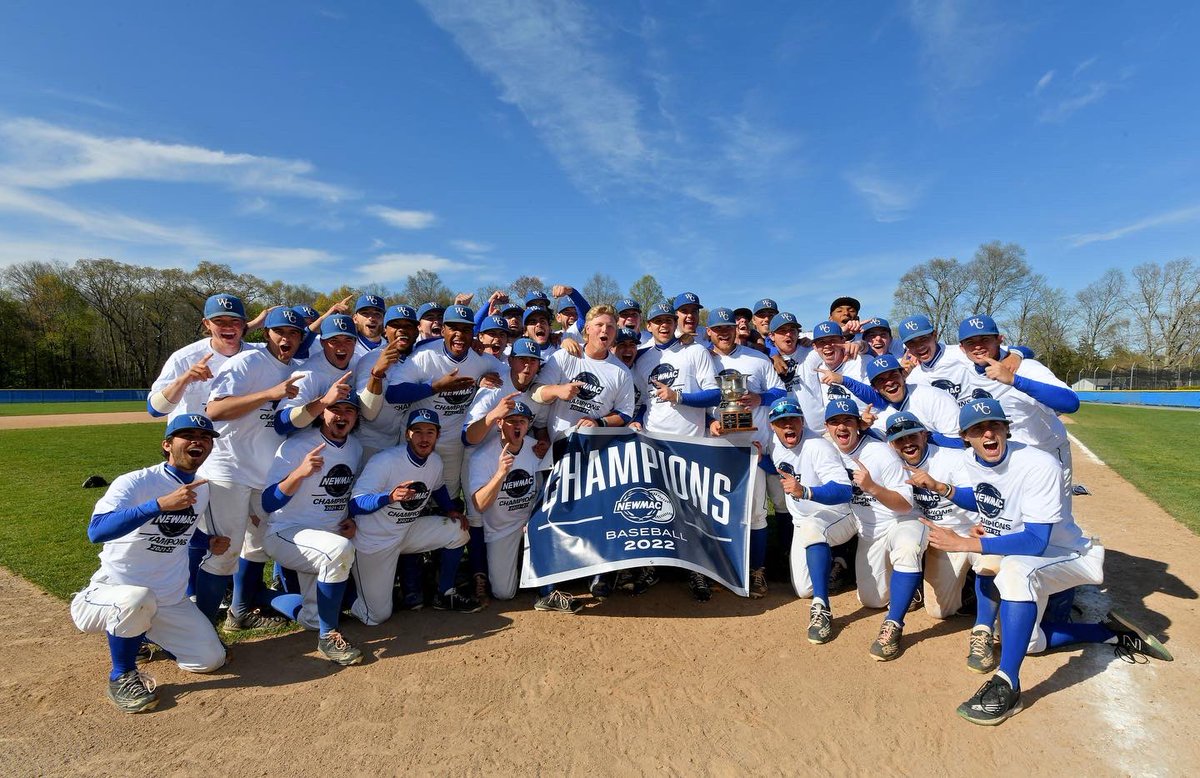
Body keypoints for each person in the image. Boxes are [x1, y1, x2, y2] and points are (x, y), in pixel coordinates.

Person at [907, 398, 1172, 725]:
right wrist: (942, 488)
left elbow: (1036, 540)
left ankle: (1008, 684)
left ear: (1006, 428)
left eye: (994, 426)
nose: (987, 433)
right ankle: (1109, 633)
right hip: (1030, 553)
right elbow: (984, 495)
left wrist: (966, 542)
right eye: (977, 429)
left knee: (1015, 574)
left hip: (1067, 554)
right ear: (965, 437)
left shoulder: (1038, 464)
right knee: (1028, 642)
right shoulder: (971, 461)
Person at [70, 414, 227, 713]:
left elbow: (183, 529)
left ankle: (146, 633)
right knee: (136, 599)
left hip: (168, 600)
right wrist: (157, 505)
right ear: (167, 445)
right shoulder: (137, 482)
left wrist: (206, 542)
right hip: (115, 592)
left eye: (205, 438)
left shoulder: (202, 487)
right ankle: (121, 675)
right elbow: (97, 531)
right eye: (188, 435)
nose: (198, 441)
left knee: (210, 660)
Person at [194, 307, 310, 629]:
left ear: (301, 338)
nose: (286, 338)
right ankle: (202, 629)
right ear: (266, 334)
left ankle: (239, 613)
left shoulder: (300, 369)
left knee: (257, 547)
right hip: (229, 469)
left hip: (265, 472)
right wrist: (269, 394)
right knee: (223, 552)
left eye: (293, 333)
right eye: (280, 332)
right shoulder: (248, 362)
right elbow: (214, 410)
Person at [530, 304, 635, 611]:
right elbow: (536, 391)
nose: (605, 330)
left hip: (597, 451)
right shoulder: (565, 357)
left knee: (599, 511)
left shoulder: (620, 371)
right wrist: (557, 391)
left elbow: (625, 414)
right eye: (600, 325)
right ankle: (548, 587)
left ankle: (598, 575)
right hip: (559, 448)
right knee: (552, 513)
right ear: (587, 328)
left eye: (611, 327)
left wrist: (601, 422)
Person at [347, 408, 478, 625]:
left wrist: (450, 509)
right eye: (417, 431)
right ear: (407, 434)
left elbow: (437, 487)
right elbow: (355, 503)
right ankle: (343, 590)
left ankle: (445, 594)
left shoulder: (434, 461)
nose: (424, 438)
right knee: (377, 616)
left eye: (430, 432)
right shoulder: (385, 461)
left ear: (438, 435)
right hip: (374, 540)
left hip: (407, 531)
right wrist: (387, 498)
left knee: (458, 529)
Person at [260, 395, 364, 665]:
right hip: (287, 533)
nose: (342, 416)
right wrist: (299, 473)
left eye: (349, 411)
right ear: (321, 413)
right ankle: (329, 636)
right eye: (335, 409)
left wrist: (351, 517)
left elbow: (348, 492)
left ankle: (262, 596)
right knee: (339, 551)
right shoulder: (296, 447)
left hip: (325, 537)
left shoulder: (355, 448)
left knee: (310, 617)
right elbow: (268, 502)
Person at [822, 398, 925, 660]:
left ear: (859, 425)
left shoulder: (880, 452)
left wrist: (873, 487)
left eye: (847, 421)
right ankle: (907, 586)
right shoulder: (828, 450)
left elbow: (904, 505)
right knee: (872, 600)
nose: (841, 427)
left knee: (907, 548)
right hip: (869, 530)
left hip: (901, 520)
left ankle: (894, 625)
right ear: (828, 427)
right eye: (835, 422)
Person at [883, 411, 997, 623]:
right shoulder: (893, 466)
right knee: (939, 612)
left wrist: (940, 487)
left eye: (912, 436)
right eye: (900, 439)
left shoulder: (953, 458)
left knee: (992, 565)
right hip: (939, 538)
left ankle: (992, 610)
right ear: (891, 445)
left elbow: (978, 498)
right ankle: (967, 589)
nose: (907, 443)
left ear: (924, 435)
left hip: (972, 530)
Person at [706, 306, 786, 601]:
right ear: (709, 332)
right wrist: (708, 422)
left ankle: (757, 570)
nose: (724, 332)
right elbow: (695, 402)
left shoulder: (757, 358)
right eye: (718, 329)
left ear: (736, 330)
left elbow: (781, 393)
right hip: (717, 447)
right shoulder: (703, 358)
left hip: (752, 445)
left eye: (728, 327)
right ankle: (724, 569)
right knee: (717, 512)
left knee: (755, 513)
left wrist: (758, 397)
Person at [462, 337, 549, 603]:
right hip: (481, 454)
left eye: (533, 361)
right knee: (479, 518)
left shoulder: (536, 393)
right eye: (522, 359)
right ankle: (479, 574)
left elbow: (541, 427)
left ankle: (531, 567)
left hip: (520, 452)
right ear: (510, 361)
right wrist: (494, 414)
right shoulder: (494, 386)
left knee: (523, 501)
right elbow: (469, 438)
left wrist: (542, 445)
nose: (527, 365)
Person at [955, 314, 1079, 500]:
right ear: (962, 348)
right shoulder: (964, 367)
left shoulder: (1027, 369)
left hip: (1044, 455)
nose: (978, 345)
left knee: (1052, 523)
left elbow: (1070, 403)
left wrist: (1014, 380)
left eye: (985, 339)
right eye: (971, 342)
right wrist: (1019, 351)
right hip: (1002, 458)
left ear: (999, 340)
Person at [761, 399, 853, 639]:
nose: (788, 425)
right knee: (803, 589)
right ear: (773, 426)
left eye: (793, 419)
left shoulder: (818, 446)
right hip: (803, 521)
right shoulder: (774, 442)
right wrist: (761, 459)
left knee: (814, 528)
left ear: (802, 421)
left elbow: (844, 490)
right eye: (781, 422)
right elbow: (781, 467)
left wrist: (807, 491)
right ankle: (833, 562)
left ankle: (821, 608)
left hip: (839, 515)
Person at [469, 401, 544, 603]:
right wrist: (500, 474)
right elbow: (479, 505)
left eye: (522, 421)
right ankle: (518, 562)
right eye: (511, 421)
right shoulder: (483, 457)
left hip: (532, 522)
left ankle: (542, 580)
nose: (517, 426)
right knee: (504, 593)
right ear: (500, 423)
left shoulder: (536, 448)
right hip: (501, 528)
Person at [147, 293, 257, 422]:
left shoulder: (258, 356)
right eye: (218, 321)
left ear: (244, 323)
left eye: (235, 320)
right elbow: (155, 410)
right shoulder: (184, 358)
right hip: (197, 440)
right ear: (206, 323)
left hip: (239, 441)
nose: (228, 326)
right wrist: (183, 380)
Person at [818, 353, 962, 444]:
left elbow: (961, 442)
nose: (889, 382)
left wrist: (918, 436)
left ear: (903, 376)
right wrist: (865, 428)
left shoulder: (933, 397)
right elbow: (880, 439)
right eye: (881, 380)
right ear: (875, 388)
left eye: (893, 375)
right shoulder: (885, 410)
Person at [355, 304, 419, 463]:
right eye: (395, 325)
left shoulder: (420, 357)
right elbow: (368, 413)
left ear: (417, 331)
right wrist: (377, 374)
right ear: (385, 330)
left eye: (408, 326)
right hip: (369, 443)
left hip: (401, 443)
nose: (402, 330)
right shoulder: (370, 359)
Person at [352, 294, 387, 360]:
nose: (371, 318)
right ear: (355, 319)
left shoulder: (392, 348)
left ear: (384, 319)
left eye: (377, 314)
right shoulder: (347, 348)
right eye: (365, 313)